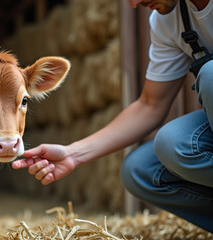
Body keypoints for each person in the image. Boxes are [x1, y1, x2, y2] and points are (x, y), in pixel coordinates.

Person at [12, 0, 213, 232]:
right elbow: (150, 104)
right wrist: (73, 154)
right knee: (141, 170)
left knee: (209, 77)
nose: (134, 3)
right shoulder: (167, 21)